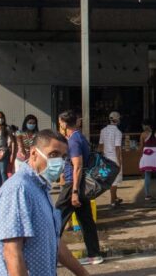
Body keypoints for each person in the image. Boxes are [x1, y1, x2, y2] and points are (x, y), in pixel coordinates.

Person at [0, 129, 89, 276]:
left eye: (64, 157)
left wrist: (83, 273)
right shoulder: (19, 189)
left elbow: (55, 243)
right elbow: (12, 252)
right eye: (53, 154)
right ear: (34, 153)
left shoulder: (41, 188)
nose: (59, 162)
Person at [56, 110, 103, 265]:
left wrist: (74, 191)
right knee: (86, 220)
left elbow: (77, 166)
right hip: (79, 184)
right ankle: (94, 254)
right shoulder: (78, 137)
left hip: (73, 185)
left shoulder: (74, 140)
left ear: (63, 123)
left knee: (56, 219)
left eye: (60, 122)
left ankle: (48, 254)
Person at [99, 111, 124, 207]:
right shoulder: (118, 132)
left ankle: (115, 198)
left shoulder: (103, 130)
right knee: (114, 180)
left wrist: (100, 157)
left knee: (110, 179)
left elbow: (100, 145)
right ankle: (112, 201)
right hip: (114, 158)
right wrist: (119, 161)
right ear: (117, 120)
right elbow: (117, 147)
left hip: (105, 158)